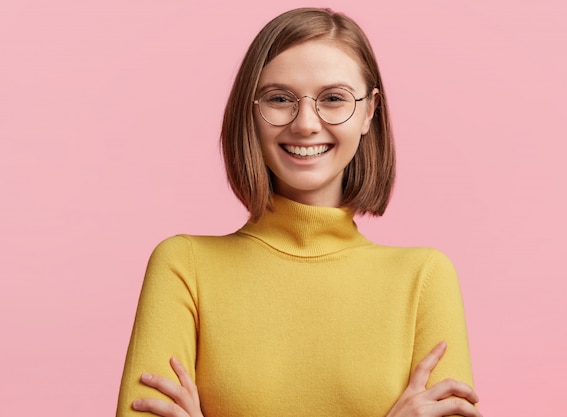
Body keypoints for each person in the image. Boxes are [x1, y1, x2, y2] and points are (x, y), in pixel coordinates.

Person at [116, 7, 480, 417]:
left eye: (334, 98)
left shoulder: (424, 279)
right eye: (279, 98)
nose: (306, 123)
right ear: (250, 111)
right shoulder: (184, 266)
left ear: (369, 111)